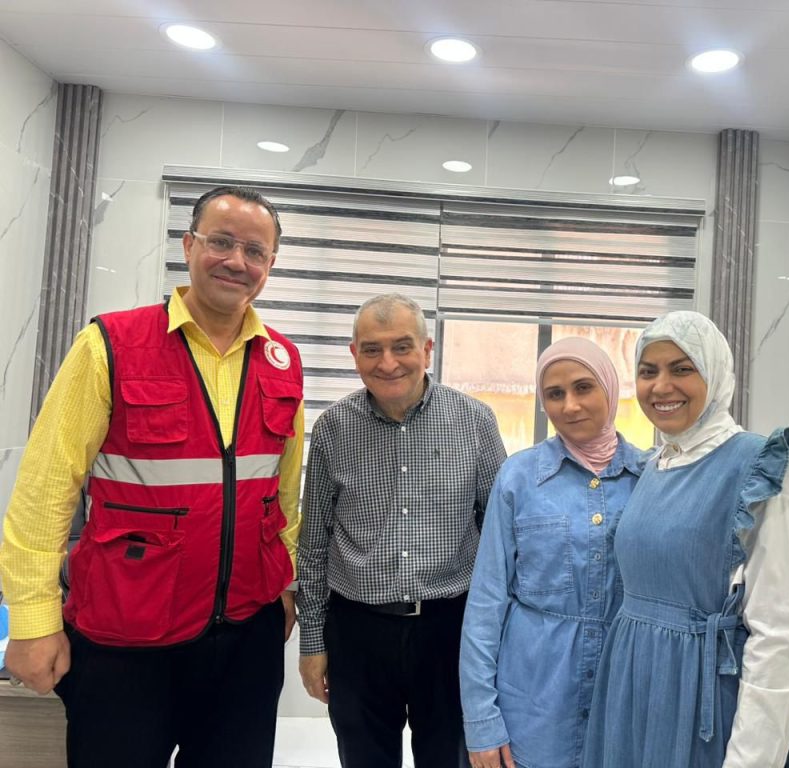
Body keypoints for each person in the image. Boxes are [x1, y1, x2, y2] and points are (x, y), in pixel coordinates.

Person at [0, 185, 304, 767]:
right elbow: (45, 486)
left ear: (270, 264)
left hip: (246, 639)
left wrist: (284, 587)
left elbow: (284, 493)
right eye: (221, 242)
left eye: (255, 251)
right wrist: (34, 620)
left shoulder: (282, 361)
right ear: (188, 246)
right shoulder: (110, 345)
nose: (236, 261)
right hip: (125, 638)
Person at [582, 311, 789, 768]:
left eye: (682, 368)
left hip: (702, 705)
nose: (661, 386)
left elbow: (780, 638)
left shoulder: (762, 469)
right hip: (631, 692)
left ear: (715, 372)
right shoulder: (656, 465)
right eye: (648, 371)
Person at [297, 293, 507, 768]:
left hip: (450, 629)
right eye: (372, 349)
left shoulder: (475, 422)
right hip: (357, 632)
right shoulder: (332, 428)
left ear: (427, 350)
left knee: (449, 759)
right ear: (354, 354)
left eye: (402, 346)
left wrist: (498, 640)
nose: (388, 363)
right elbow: (313, 544)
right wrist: (312, 642)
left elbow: (501, 537)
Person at [460, 337, 648, 768]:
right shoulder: (518, 478)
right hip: (534, 709)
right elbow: (486, 604)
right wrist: (482, 721)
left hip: (623, 702)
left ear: (609, 388)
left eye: (583, 387)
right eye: (555, 394)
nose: (570, 406)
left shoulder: (650, 479)